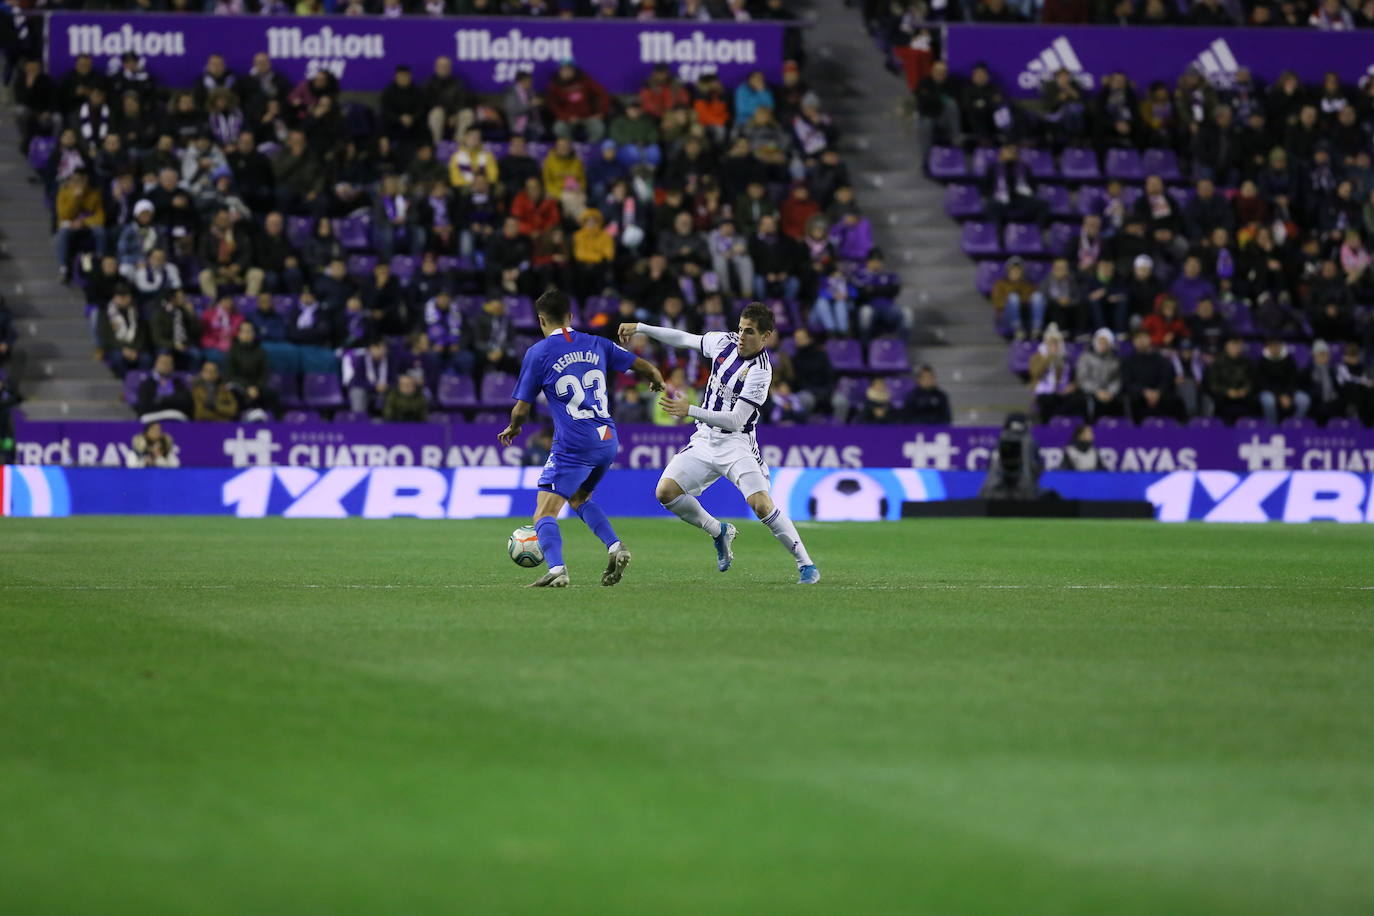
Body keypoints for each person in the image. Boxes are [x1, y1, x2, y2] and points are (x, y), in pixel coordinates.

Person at [620, 302, 821, 585]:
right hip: (704, 439)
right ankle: (718, 531)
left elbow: (737, 419)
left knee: (761, 505)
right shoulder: (723, 342)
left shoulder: (761, 371)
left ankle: (806, 565)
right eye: (740, 328)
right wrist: (642, 328)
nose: (741, 335)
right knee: (665, 492)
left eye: (749, 331)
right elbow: (684, 338)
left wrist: (689, 410)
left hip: (736, 444)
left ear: (766, 337)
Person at [499, 289, 665, 588]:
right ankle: (615, 546)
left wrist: (514, 428)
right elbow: (640, 364)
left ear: (540, 320)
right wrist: (655, 375)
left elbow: (522, 408)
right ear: (571, 317)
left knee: (544, 511)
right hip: (607, 438)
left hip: (574, 443)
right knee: (579, 497)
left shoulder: (538, 353)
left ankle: (557, 569)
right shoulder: (597, 343)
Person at [1255, 337, 1310, 426]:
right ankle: (1272, 427)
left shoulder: (1289, 359)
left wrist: (1288, 395)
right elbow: (1263, 383)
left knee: (1304, 400)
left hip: (1288, 392)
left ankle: (1294, 424)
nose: (1275, 348)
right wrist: (1279, 396)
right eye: (1272, 346)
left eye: (1277, 345)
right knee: (1268, 401)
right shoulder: (1262, 361)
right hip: (1270, 392)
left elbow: (1293, 380)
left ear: (1281, 346)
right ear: (1268, 347)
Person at [1075, 327, 1122, 420]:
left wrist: (1111, 392)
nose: (1103, 345)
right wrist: (1097, 391)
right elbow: (1082, 379)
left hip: (1109, 394)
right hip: (1091, 392)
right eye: (1100, 341)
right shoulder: (1085, 357)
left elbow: (1117, 379)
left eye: (1106, 342)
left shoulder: (1115, 359)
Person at [1208, 336, 1257, 424]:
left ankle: (1251, 428)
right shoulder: (1217, 362)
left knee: (1254, 402)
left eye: (1238, 346)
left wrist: (1244, 391)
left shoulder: (1247, 362)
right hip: (1224, 397)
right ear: (1226, 346)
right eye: (1233, 346)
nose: (1236, 348)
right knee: (1218, 403)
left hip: (1242, 396)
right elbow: (1213, 384)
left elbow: (1251, 381)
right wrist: (1227, 391)